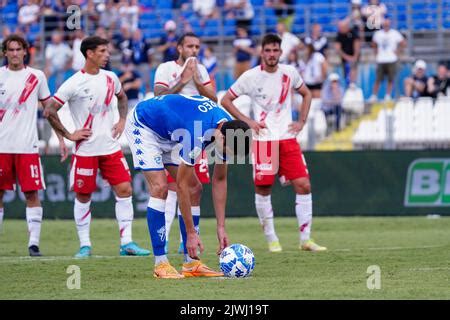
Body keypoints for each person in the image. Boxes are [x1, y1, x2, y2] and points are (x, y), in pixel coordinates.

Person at [44, 36, 150, 258]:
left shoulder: (111, 77)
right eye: (102, 51)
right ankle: (85, 245)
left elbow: (122, 98)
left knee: (125, 190)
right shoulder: (74, 83)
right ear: (89, 54)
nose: (107, 55)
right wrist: (69, 134)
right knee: (84, 196)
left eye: (107, 50)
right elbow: (49, 110)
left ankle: (127, 242)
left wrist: (122, 120)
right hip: (86, 150)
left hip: (110, 147)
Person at [124, 93, 251, 278]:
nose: (224, 154)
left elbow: (220, 180)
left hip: (170, 131)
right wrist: (191, 233)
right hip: (144, 125)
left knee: (195, 189)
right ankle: (160, 264)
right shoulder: (197, 135)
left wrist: (221, 227)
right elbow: (181, 185)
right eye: (225, 151)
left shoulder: (230, 129)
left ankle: (191, 263)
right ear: (221, 136)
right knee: (160, 188)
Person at [221, 33, 327, 253]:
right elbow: (226, 100)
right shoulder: (250, 77)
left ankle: (305, 239)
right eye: (267, 50)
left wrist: (301, 121)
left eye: (275, 50)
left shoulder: (289, 73)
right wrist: (248, 121)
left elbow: (307, 94)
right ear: (262, 52)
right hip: (264, 141)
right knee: (263, 188)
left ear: (280, 52)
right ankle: (272, 239)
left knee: (304, 185)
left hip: (288, 138)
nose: (271, 54)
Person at [153, 32, 217, 254]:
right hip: (171, 134)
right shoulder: (165, 69)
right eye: (190, 46)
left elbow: (214, 99)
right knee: (173, 185)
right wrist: (182, 81)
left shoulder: (201, 71)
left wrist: (197, 81)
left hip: (196, 133)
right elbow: (158, 96)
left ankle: (187, 239)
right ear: (179, 48)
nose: (194, 51)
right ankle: (166, 240)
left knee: (195, 188)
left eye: (197, 47)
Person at [0, 34, 52, 256]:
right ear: (5, 53)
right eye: (10, 50)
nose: (14, 54)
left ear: (25, 51)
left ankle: (34, 244)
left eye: (18, 49)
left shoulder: (36, 77)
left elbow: (49, 110)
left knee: (31, 193)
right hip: (2, 147)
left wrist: (57, 137)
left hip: (27, 147)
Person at [368, 18, 406, 103]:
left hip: (391, 59)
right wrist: (376, 53)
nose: (386, 25)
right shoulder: (378, 34)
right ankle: (374, 95)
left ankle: (388, 95)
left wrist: (398, 51)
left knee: (390, 79)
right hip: (381, 59)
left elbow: (403, 43)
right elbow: (373, 44)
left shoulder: (395, 33)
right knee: (378, 79)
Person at [335, 19, 361, 87]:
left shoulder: (353, 33)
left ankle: (353, 85)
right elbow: (338, 49)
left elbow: (357, 45)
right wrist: (347, 57)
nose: (339, 29)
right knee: (346, 75)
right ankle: (348, 86)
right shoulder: (339, 35)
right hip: (345, 58)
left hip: (354, 57)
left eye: (341, 27)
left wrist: (354, 57)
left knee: (353, 69)